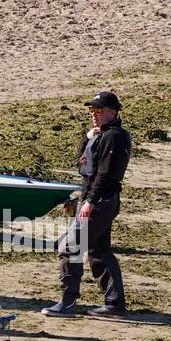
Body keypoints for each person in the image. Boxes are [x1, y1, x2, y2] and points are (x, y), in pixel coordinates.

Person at [42, 91, 129, 317]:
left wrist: (90, 201)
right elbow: (83, 160)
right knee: (99, 250)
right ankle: (115, 303)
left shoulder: (114, 137)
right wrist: (87, 137)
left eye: (99, 111)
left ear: (113, 112)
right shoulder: (100, 135)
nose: (94, 115)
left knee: (69, 248)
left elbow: (106, 174)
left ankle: (68, 301)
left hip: (99, 201)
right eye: (92, 111)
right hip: (100, 200)